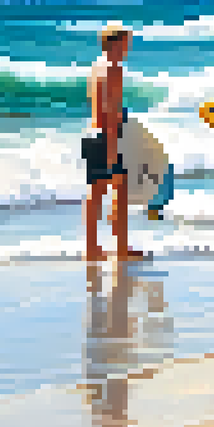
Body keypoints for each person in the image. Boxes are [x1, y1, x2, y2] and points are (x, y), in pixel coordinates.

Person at [84, 26, 133, 262]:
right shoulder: (115, 69)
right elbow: (111, 109)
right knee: (120, 190)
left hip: (92, 133)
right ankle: (121, 248)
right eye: (126, 42)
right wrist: (113, 147)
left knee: (95, 193)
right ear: (116, 44)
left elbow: (96, 103)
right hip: (107, 135)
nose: (128, 47)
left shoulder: (96, 66)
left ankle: (92, 248)